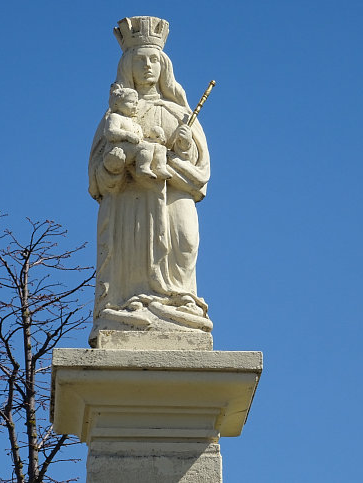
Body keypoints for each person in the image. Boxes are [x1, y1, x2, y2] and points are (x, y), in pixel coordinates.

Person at [88, 16, 212, 346]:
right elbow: (98, 181)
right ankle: (132, 302)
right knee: (133, 256)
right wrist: (115, 166)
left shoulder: (180, 114)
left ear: (164, 65)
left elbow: (201, 176)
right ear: (127, 64)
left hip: (174, 198)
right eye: (140, 59)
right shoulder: (116, 117)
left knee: (183, 241)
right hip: (131, 203)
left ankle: (179, 302)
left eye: (154, 59)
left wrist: (178, 154)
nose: (147, 66)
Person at [103, 83, 172, 180]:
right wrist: (127, 135)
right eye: (131, 102)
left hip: (133, 149)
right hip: (120, 149)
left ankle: (159, 168)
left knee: (160, 148)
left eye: (136, 103)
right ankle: (142, 168)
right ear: (117, 103)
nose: (135, 106)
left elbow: (141, 140)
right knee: (146, 147)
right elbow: (110, 132)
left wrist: (154, 141)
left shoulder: (135, 124)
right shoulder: (115, 117)